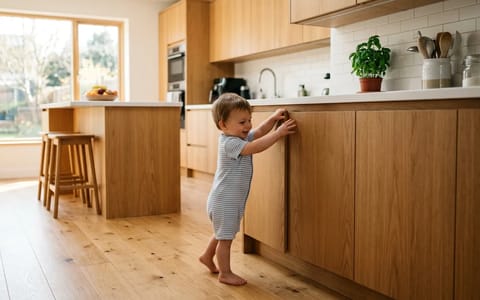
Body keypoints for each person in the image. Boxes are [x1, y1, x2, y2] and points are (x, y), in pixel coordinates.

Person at [199, 93, 297, 286]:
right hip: (224, 201)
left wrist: (273, 118)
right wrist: (278, 133)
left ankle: (206, 256)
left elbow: (259, 132)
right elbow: (256, 146)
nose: (248, 126)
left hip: (225, 200)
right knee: (225, 239)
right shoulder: (231, 143)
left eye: (249, 120)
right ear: (223, 125)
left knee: (222, 233)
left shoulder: (236, 137)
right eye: (242, 122)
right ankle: (225, 273)